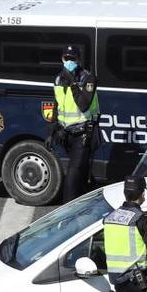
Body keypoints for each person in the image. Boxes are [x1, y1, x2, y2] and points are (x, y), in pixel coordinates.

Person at [47, 45, 100, 202]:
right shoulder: (58, 79)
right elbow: (57, 107)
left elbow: (83, 104)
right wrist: (51, 132)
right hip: (66, 135)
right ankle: (87, 206)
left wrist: (73, 85)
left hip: (83, 135)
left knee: (71, 177)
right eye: (66, 58)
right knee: (81, 176)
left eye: (72, 59)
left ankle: (64, 216)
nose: (69, 62)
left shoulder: (88, 78)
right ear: (62, 59)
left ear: (78, 60)